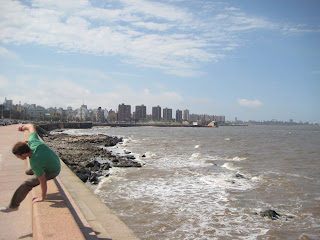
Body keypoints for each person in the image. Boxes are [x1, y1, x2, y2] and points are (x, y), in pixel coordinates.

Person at [0, 124, 61, 213]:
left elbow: (42, 180)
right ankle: (39, 171)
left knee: (27, 184)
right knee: (28, 171)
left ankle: (13, 206)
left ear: (23, 154)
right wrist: (22, 128)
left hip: (53, 171)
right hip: (54, 161)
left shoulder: (35, 162)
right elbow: (31, 126)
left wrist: (42, 197)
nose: (18, 158)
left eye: (18, 157)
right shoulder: (33, 141)